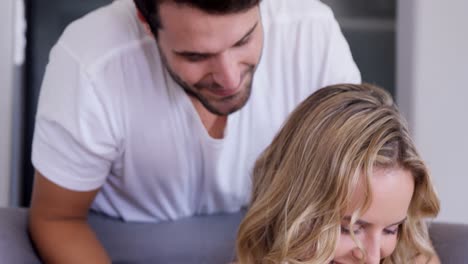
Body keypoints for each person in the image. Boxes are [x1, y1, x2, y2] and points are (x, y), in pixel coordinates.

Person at [28, 0, 360, 262]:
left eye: (244, 40)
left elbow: (362, 198)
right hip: (118, 250)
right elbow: (58, 219)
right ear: (147, 24)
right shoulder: (90, 63)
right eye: (196, 56)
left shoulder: (313, 35)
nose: (229, 79)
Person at [236, 83, 440, 263]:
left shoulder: (410, 254)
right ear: (295, 207)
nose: (373, 258)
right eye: (349, 229)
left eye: (391, 229)